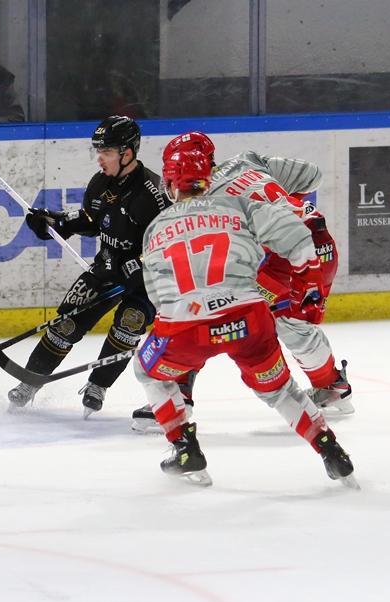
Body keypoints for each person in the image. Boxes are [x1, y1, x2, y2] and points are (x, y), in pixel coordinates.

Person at [133, 142, 355, 487]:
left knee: (150, 364)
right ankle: (330, 439)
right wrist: (307, 289)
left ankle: (184, 441)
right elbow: (303, 212)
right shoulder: (243, 182)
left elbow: (162, 298)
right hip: (263, 300)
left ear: (171, 180)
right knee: (283, 373)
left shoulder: (157, 227)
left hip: (195, 322)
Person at [9, 115, 170, 416]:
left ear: (127, 153)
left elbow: (169, 243)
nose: (100, 158)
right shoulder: (100, 183)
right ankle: (30, 381)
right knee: (66, 323)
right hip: (107, 268)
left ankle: (98, 385)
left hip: (146, 280)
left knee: (130, 322)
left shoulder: (153, 193)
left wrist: (141, 264)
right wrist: (55, 222)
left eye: (106, 151)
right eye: (99, 151)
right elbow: (91, 220)